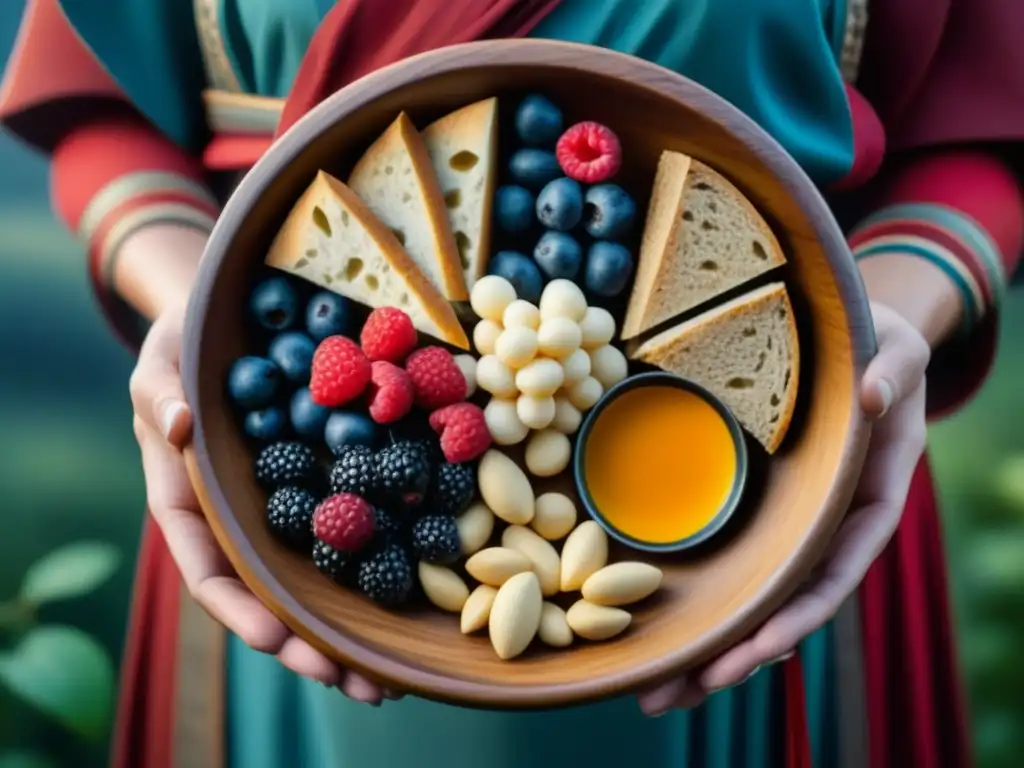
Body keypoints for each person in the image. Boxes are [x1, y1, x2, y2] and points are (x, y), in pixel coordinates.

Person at [2, 1, 1022, 766]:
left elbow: (980, 119)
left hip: (781, 485)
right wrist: (195, 303)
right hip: (289, 515)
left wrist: (891, 320)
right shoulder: (350, 441)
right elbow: (103, 98)